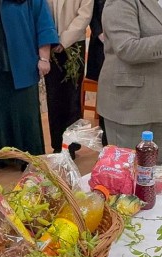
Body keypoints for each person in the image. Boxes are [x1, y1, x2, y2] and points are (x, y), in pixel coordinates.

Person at [97, 0, 162, 164]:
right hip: (130, 105)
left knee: (153, 174)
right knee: (127, 175)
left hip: (160, 99)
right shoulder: (120, 2)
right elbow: (127, 48)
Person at [0, 0, 58, 159]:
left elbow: (44, 25)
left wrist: (44, 58)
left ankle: (29, 156)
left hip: (23, 63)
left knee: (26, 113)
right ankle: (3, 157)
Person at [45, 0, 92, 156]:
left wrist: (64, 40)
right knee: (54, 96)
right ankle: (58, 143)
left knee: (71, 95)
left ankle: (71, 144)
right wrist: (49, 38)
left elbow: (84, 15)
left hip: (73, 44)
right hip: (49, 44)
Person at [85, 0, 107, 144]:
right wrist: (99, 33)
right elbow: (91, 13)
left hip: (126, 43)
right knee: (106, 92)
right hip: (101, 45)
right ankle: (105, 139)